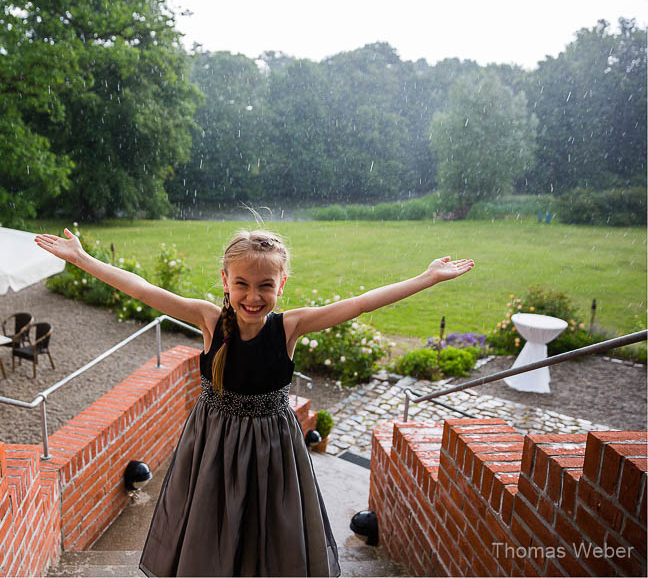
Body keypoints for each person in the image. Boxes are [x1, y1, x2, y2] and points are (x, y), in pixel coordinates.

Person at [33, 226, 475, 577]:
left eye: (265, 284)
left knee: (269, 526)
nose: (252, 295)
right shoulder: (209, 319)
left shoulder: (290, 327)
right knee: (212, 520)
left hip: (273, 449)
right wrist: (84, 260)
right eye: (241, 283)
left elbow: (358, 305)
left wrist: (426, 278)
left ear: (282, 283)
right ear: (225, 280)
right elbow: (143, 290)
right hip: (213, 443)